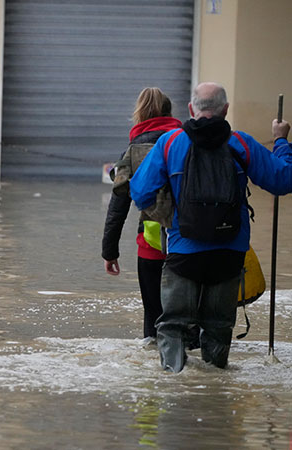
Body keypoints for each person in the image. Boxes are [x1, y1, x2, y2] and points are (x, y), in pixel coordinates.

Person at [130, 82, 292, 372]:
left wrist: (169, 206)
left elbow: (140, 192)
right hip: (229, 253)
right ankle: (214, 393)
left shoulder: (170, 143)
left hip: (184, 250)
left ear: (191, 109)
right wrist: (280, 141)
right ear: (226, 110)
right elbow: (283, 181)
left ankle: (176, 386)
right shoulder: (241, 143)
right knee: (218, 327)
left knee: (174, 326)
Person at [102, 87, 182, 345]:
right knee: (186, 317)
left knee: (153, 319)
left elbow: (118, 205)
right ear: (170, 113)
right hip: (188, 244)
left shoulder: (133, 150)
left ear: (139, 115)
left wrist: (110, 251)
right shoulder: (185, 142)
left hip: (151, 246)